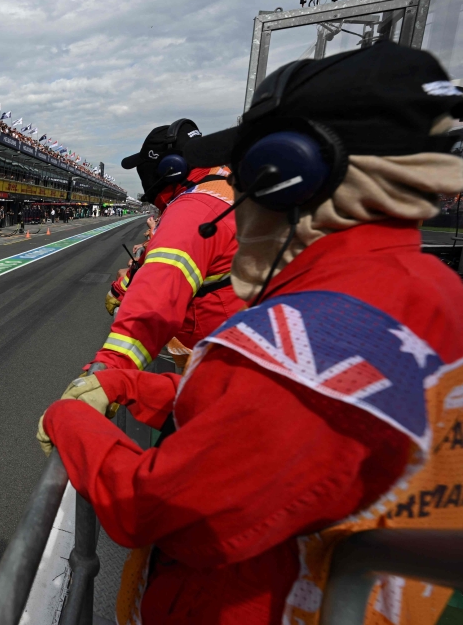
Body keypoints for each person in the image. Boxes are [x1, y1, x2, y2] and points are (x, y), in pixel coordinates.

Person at [37, 43, 463, 625]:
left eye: (251, 173)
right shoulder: (438, 289)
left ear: (290, 175)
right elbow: (251, 417)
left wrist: (70, 419)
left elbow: (155, 506)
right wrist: (132, 390)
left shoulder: (315, 341)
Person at [89, 118, 244, 377]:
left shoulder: (191, 210)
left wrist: (107, 374)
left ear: (170, 167)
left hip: (216, 359)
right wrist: (122, 285)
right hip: (238, 340)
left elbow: (154, 302)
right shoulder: (230, 183)